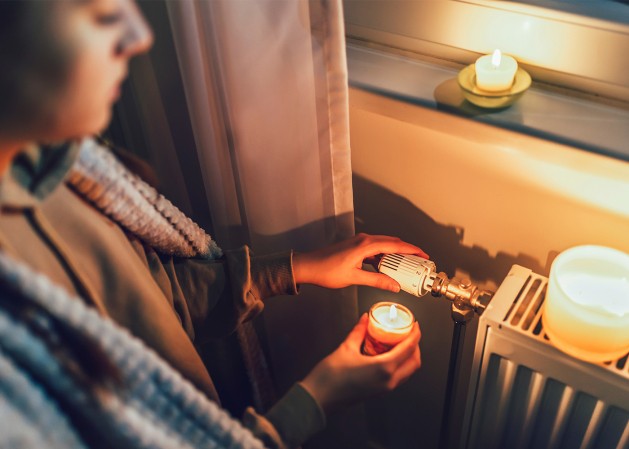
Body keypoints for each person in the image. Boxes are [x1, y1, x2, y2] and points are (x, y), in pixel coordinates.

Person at [0, 1, 425, 448]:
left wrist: (301, 267)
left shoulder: (50, 173)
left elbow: (156, 300)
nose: (138, 37)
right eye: (95, 12)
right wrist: (316, 399)